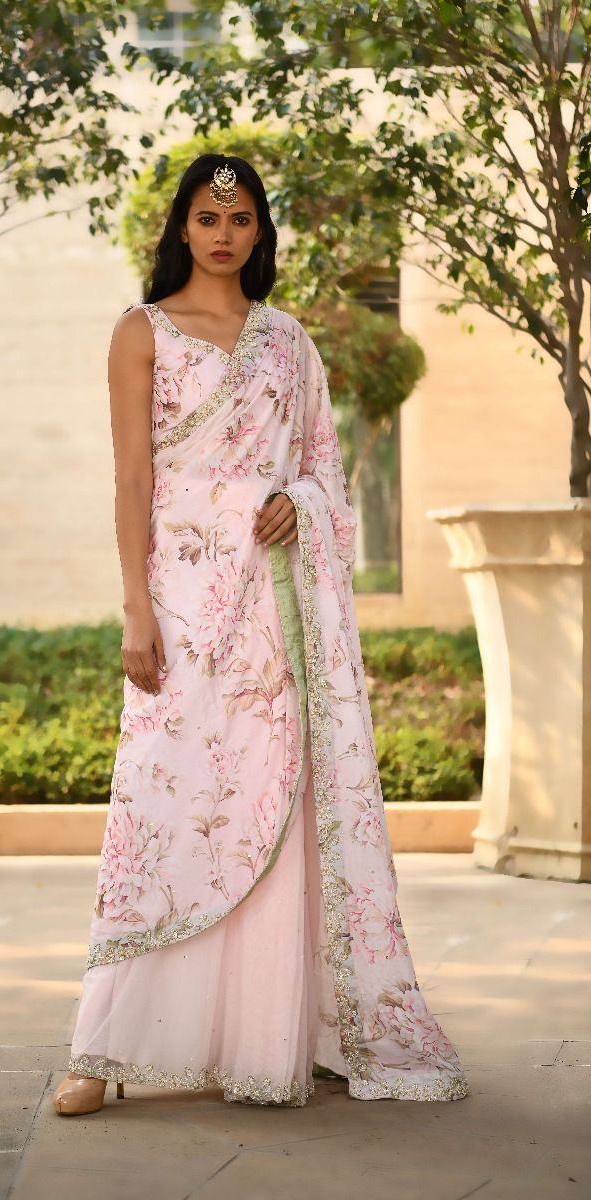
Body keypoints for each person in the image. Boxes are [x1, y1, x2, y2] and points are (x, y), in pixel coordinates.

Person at [52, 154, 469, 1116]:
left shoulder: (290, 343)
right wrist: (135, 607)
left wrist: (301, 503)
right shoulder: (141, 333)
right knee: (160, 809)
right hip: (182, 605)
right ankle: (104, 1048)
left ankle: (268, 1038)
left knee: (271, 805)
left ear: (260, 231)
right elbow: (131, 484)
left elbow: (324, 463)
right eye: (207, 217)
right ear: (183, 229)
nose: (224, 234)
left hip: (274, 609)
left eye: (240, 219)